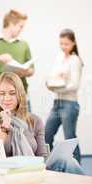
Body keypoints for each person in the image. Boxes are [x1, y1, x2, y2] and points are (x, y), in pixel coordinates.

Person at [0, 72, 84, 175]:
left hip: (33, 172)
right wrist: (5, 127)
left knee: (69, 161)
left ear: (20, 95)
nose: (6, 98)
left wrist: (56, 159)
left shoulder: (35, 121)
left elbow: (42, 157)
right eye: (2, 93)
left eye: (12, 93)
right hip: (7, 174)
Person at [45, 29, 83, 163]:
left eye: (66, 44)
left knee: (69, 138)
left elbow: (74, 85)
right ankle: (47, 165)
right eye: (61, 43)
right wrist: (51, 83)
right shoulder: (59, 57)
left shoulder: (75, 60)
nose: (63, 47)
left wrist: (59, 85)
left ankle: (77, 166)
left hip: (69, 104)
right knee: (46, 134)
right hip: (57, 103)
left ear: (73, 43)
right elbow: (53, 77)